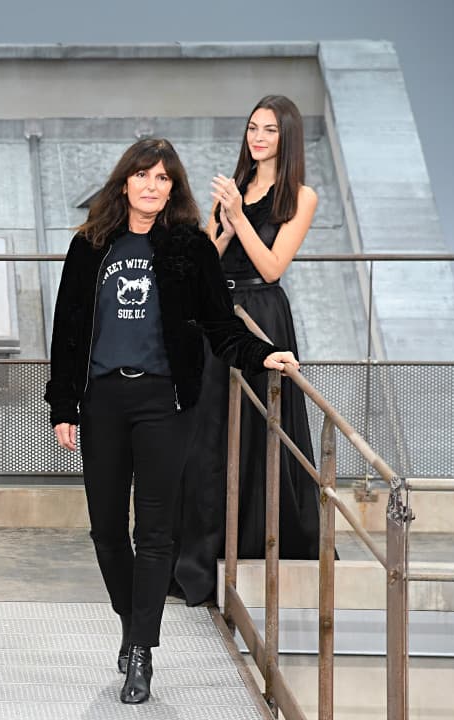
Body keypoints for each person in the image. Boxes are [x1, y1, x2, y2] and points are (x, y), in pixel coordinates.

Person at [45, 138, 297, 704]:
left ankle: (140, 651)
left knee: (154, 532)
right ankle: (133, 619)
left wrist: (263, 354)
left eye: (163, 178)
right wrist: (63, 407)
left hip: (166, 403)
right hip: (104, 401)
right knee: (107, 530)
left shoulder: (189, 247)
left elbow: (218, 322)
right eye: (142, 175)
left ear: (173, 188)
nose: (152, 186)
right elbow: (66, 333)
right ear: (124, 183)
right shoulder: (89, 247)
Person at [171, 95, 322, 606]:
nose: (258, 137)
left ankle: (258, 553)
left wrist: (240, 218)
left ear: (288, 138)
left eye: (270, 130)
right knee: (206, 435)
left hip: (262, 312)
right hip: (218, 316)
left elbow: (274, 265)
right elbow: (206, 260)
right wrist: (225, 225)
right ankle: (197, 559)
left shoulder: (301, 196)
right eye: (253, 128)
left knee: (259, 435)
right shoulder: (232, 190)